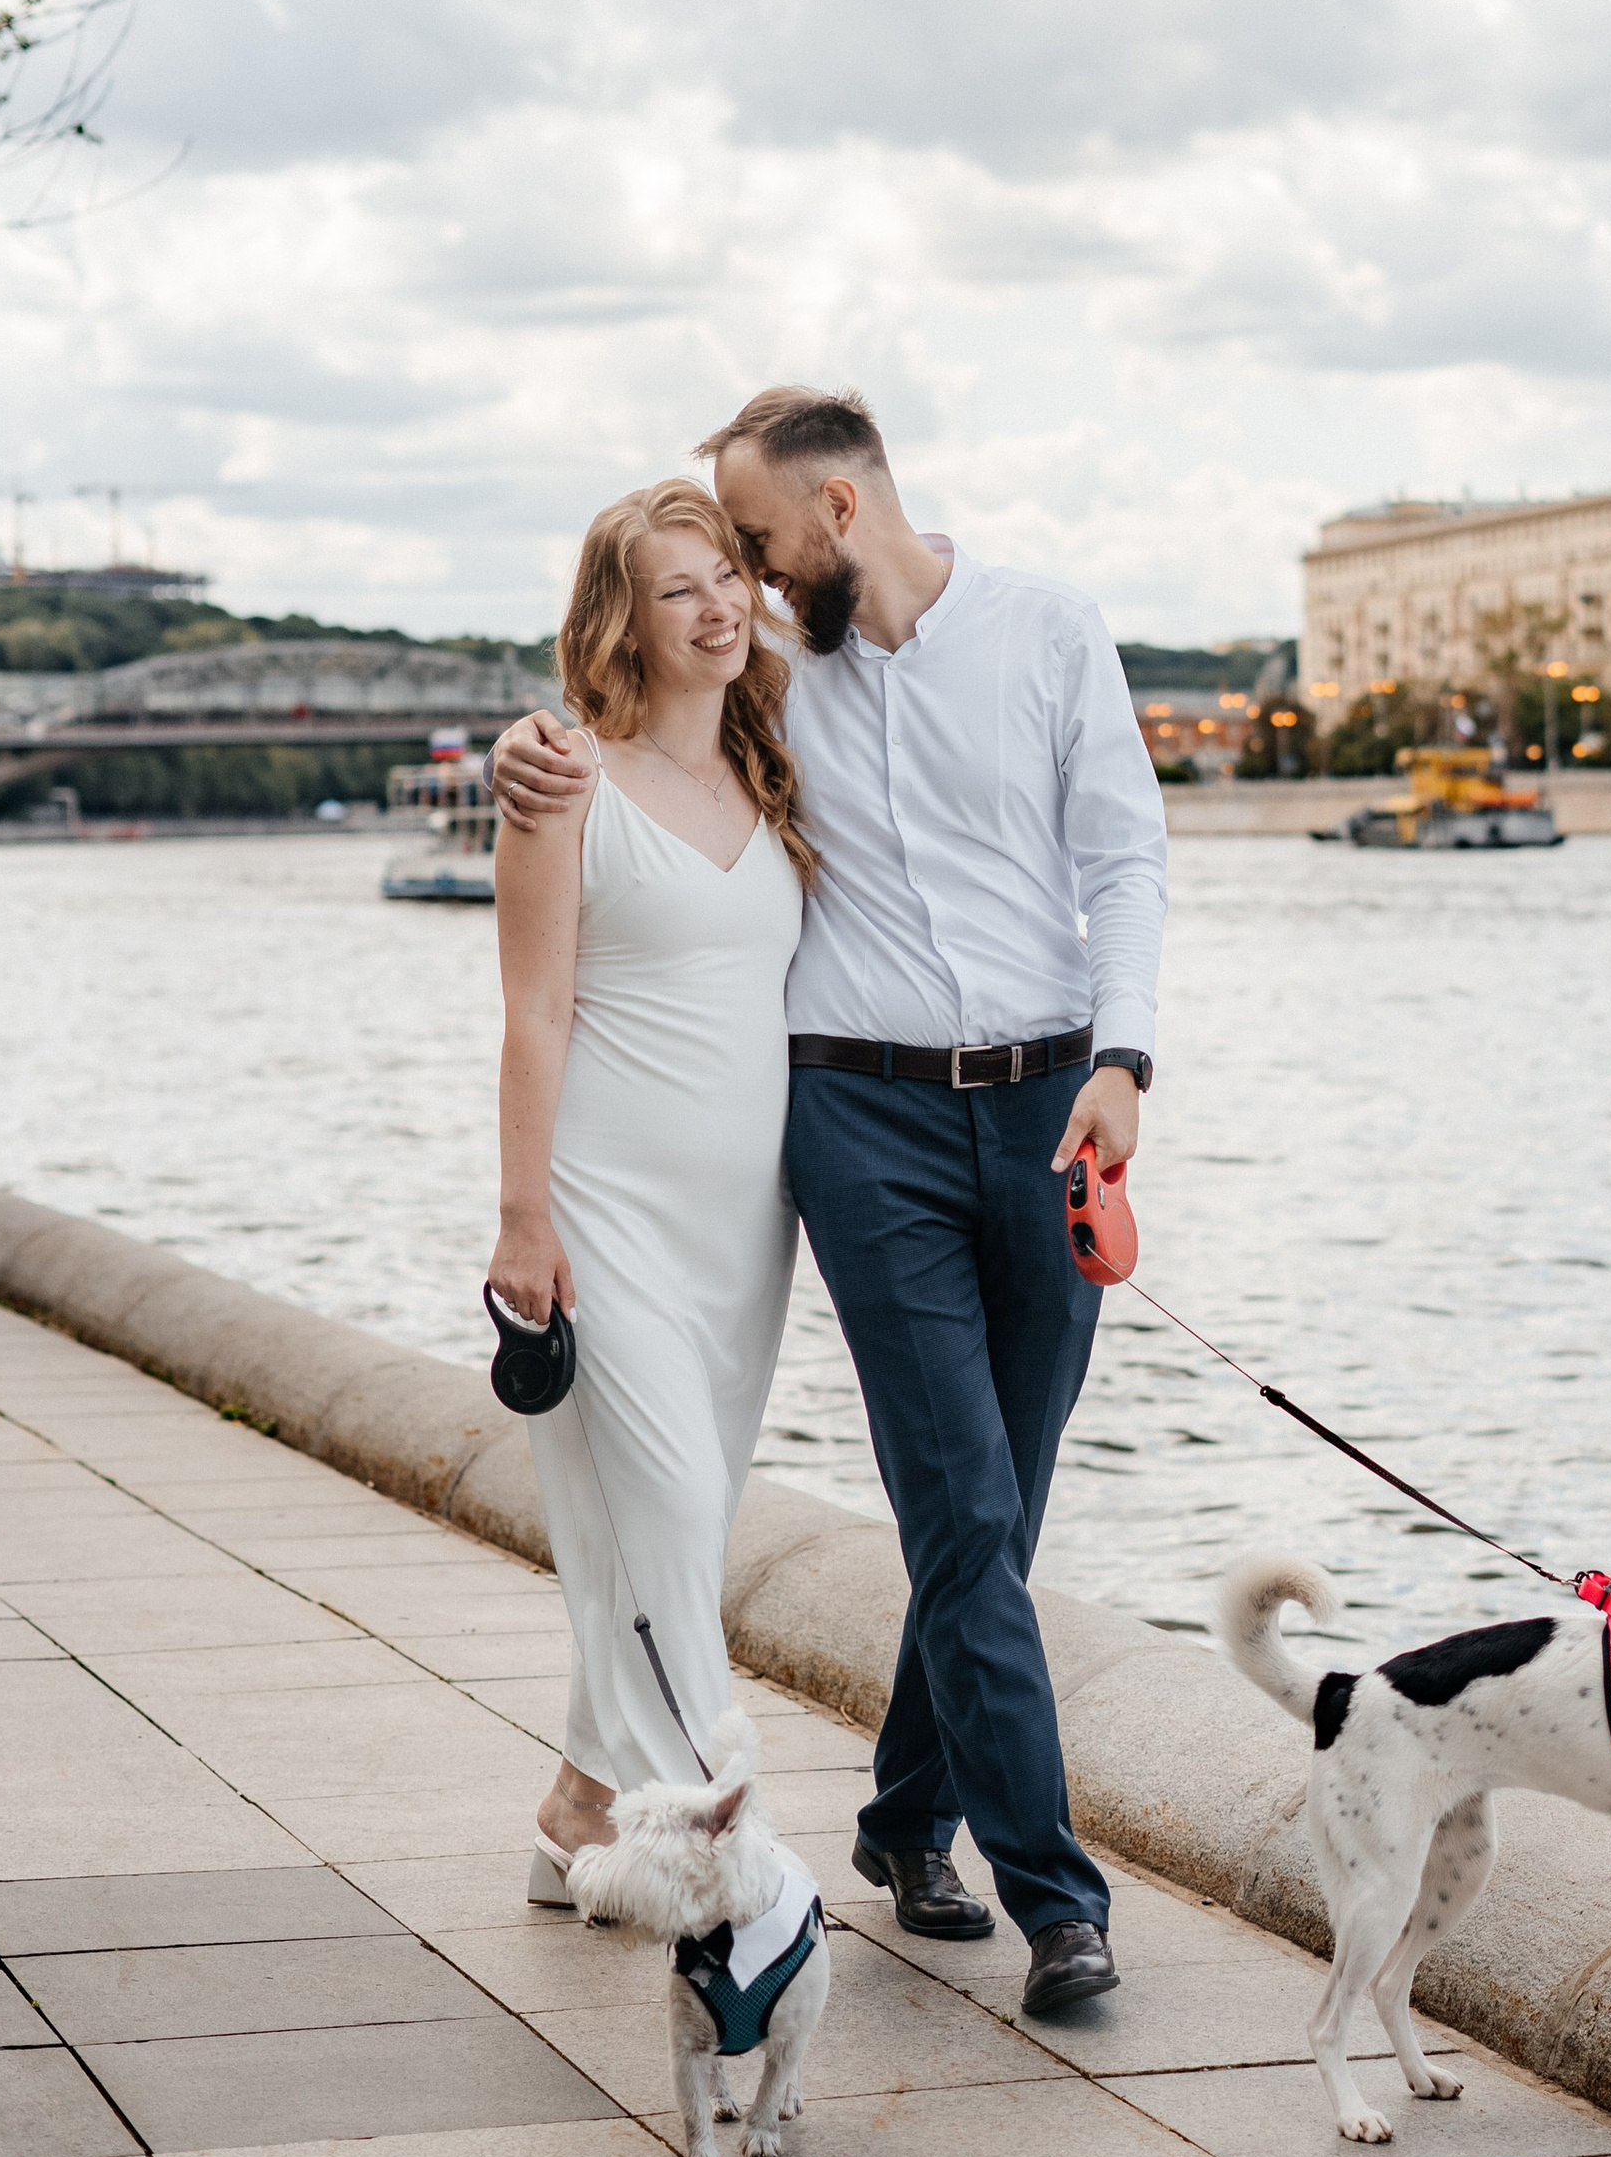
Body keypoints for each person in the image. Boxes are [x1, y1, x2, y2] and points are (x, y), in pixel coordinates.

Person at [494, 387, 1164, 2018]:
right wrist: (530, 736)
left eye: (762, 551)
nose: (752, 590)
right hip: (851, 1130)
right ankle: (1030, 1901)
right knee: (946, 1505)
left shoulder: (1020, 640)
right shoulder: (739, 700)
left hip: (1033, 1111)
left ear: (840, 514)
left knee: (1001, 1502)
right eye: (717, 572)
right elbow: (593, 804)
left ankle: (889, 1817)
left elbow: (1127, 857)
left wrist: (1126, 1062)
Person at [489, 476, 811, 1900]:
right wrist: (522, 1219)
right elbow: (534, 1016)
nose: (718, 605)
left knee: (673, 1528)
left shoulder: (774, 767)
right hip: (605, 1209)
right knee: (668, 1517)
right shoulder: (562, 782)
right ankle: (719, 1862)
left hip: (748, 1230)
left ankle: (579, 1812)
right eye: (678, 587)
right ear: (622, 618)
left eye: (728, 575)